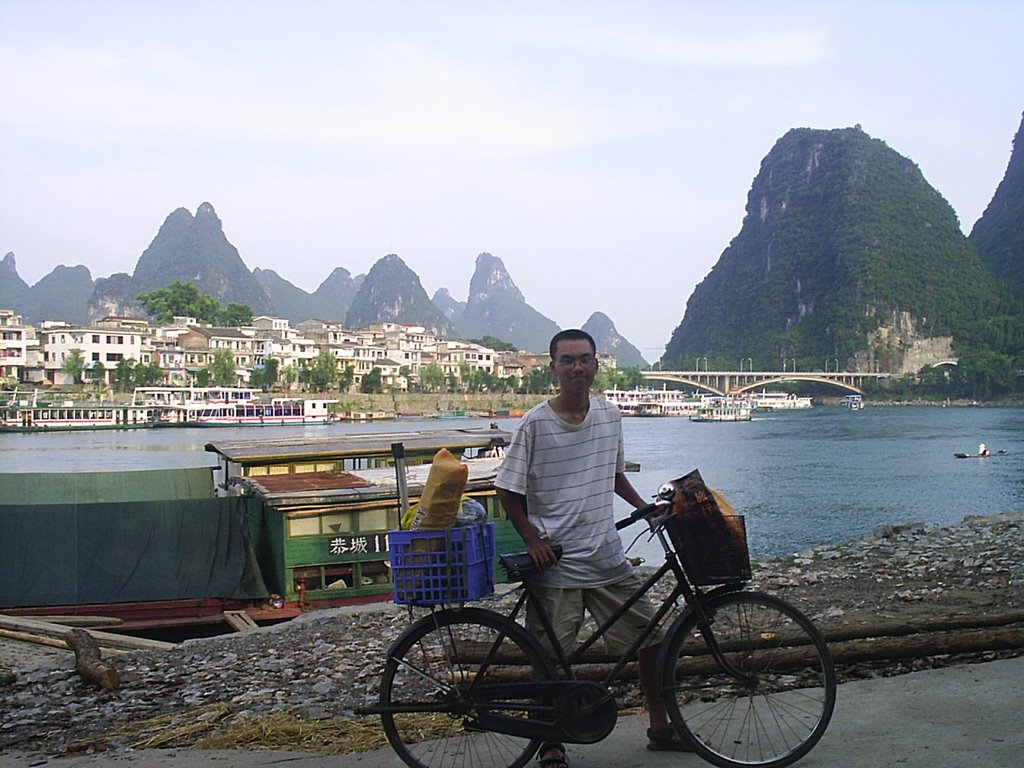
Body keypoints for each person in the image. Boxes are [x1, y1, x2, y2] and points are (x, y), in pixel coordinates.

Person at [495, 329, 694, 768]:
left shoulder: (609, 416)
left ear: (596, 365)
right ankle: (550, 742)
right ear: (553, 367)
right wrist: (533, 539)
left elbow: (613, 473)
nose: (577, 368)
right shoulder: (534, 423)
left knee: (651, 638)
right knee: (549, 656)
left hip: (606, 555)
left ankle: (660, 727)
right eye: (568, 361)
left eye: (584, 359)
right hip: (558, 563)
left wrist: (644, 508)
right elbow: (507, 490)